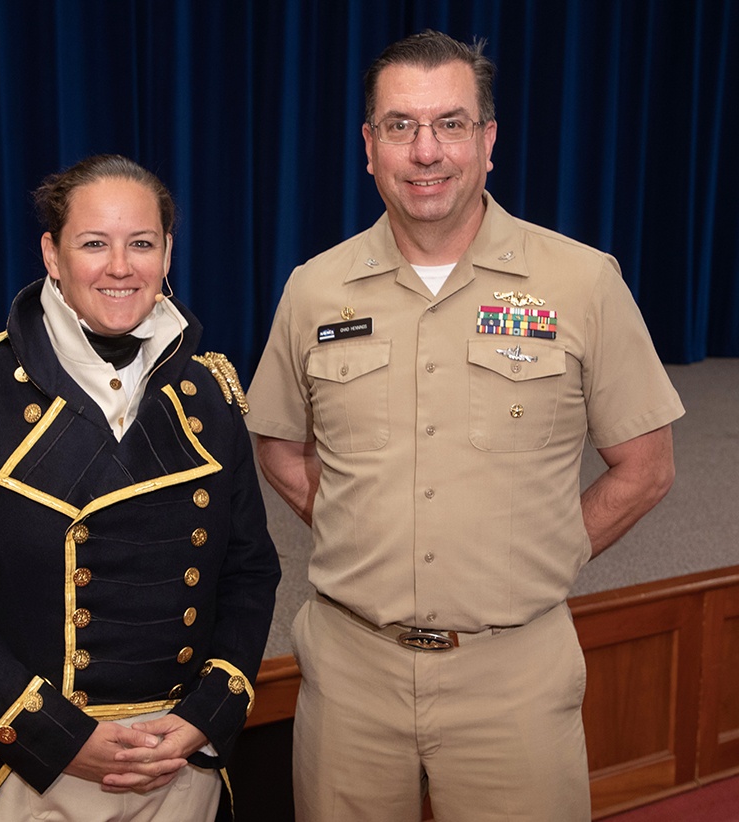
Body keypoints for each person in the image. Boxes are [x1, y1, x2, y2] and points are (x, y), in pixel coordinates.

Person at [244, 30, 684, 822]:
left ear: (487, 142)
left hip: (513, 676)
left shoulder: (582, 281)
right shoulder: (314, 290)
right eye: (401, 127)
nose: (426, 151)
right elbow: (277, 443)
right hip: (351, 677)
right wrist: (351, 523)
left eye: (450, 124)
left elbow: (646, 466)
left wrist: (550, 546)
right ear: (369, 147)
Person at [0, 154, 280, 821]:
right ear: (52, 253)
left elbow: (249, 570)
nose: (120, 266)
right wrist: (59, 737)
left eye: (141, 244)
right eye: (94, 244)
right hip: (21, 763)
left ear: (167, 253)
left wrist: (207, 714)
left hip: (175, 758)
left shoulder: (211, 394)